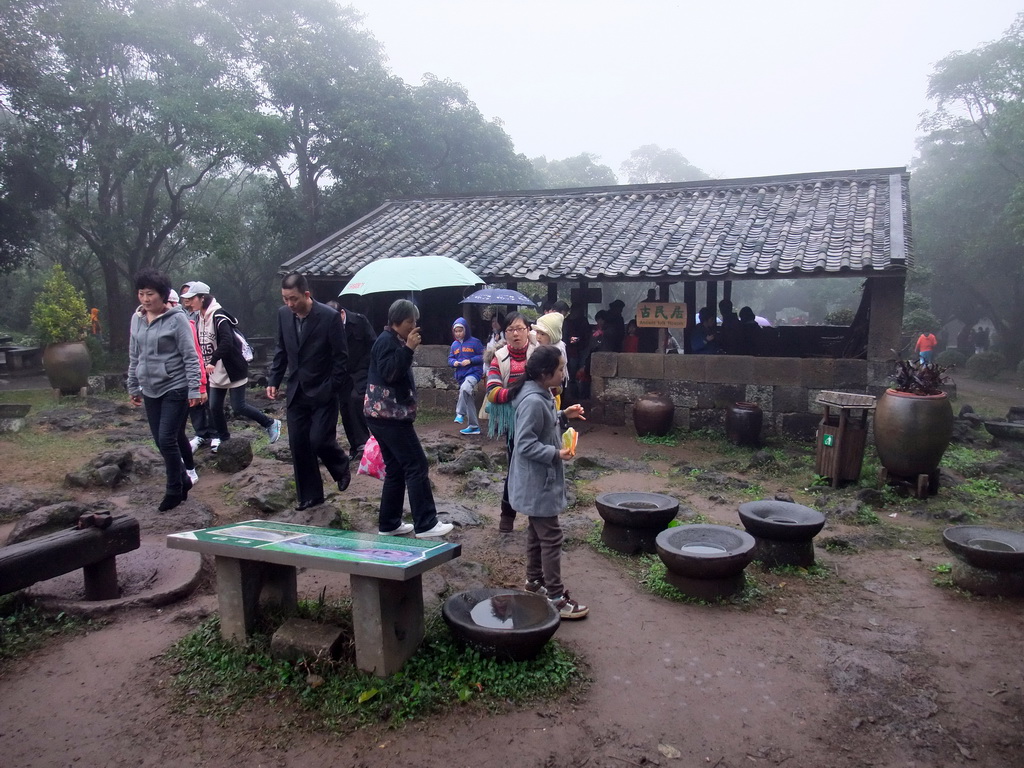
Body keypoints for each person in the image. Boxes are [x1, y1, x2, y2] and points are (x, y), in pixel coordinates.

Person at [507, 345, 588, 619]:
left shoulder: (540, 394)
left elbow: (544, 423)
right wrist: (556, 452)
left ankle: (534, 581)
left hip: (537, 481)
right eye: (561, 368)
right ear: (545, 373)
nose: (564, 372)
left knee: (536, 532)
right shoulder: (533, 400)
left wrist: (564, 415)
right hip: (538, 482)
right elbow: (525, 444)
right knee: (551, 537)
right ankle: (555, 596)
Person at [365, 299, 453, 538]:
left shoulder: (392, 340)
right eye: (409, 322)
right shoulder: (387, 342)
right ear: (396, 321)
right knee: (416, 465)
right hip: (391, 417)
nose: (414, 326)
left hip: (382, 417)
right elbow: (390, 373)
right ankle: (426, 523)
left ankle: (389, 523)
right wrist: (408, 349)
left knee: (395, 469)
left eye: (415, 321)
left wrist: (406, 347)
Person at [266, 272, 351, 511]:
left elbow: (341, 358)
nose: (289, 304)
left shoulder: (329, 317)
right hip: (296, 390)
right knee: (299, 444)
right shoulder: (284, 315)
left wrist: (332, 386)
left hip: (323, 389)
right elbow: (281, 349)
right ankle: (311, 496)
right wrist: (274, 378)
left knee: (319, 440)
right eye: (285, 299)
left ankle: (341, 464)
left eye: (293, 299)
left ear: (306, 294)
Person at [127, 269, 202, 512]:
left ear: (162, 295)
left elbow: (190, 356)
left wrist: (195, 389)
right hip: (150, 388)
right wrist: (133, 384)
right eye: (141, 293)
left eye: (150, 294)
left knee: (167, 438)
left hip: (175, 386)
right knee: (160, 441)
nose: (146, 299)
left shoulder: (176, 319)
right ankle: (184, 478)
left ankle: (173, 489)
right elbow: (134, 355)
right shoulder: (136, 319)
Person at [183, 283, 281, 449]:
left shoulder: (219, 316)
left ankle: (270, 423)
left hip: (232, 368)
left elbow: (227, 342)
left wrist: (213, 361)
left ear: (202, 298)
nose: (189, 302)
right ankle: (224, 439)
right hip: (214, 372)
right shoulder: (199, 317)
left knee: (238, 406)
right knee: (214, 407)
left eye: (192, 298)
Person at [485, 311, 537, 532]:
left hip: (539, 420)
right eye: (511, 330)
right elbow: (492, 392)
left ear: (528, 330)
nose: (516, 334)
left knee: (539, 467)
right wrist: (522, 392)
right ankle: (507, 516)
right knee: (516, 467)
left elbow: (555, 384)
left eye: (520, 329)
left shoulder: (540, 353)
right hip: (514, 424)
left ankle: (537, 517)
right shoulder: (499, 356)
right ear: (504, 333)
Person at [167, 289, 206, 486]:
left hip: (181, 385)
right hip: (163, 387)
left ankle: (189, 470)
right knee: (171, 433)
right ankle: (182, 468)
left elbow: (195, 357)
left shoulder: (185, 324)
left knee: (176, 432)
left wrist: (200, 386)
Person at [334, 301, 377, 460]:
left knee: (356, 399)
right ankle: (354, 446)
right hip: (342, 372)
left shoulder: (359, 321)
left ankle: (363, 443)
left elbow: (373, 344)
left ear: (342, 313)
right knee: (344, 407)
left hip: (361, 369)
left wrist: (367, 366)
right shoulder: (328, 325)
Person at [179, 281, 217, 453]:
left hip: (208, 363)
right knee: (193, 401)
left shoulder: (207, 315)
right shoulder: (181, 316)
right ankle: (201, 432)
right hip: (190, 364)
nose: (187, 300)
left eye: (191, 296)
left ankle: (215, 433)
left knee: (211, 399)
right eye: (184, 296)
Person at [448, 316, 485, 436]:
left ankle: (460, 414)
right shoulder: (454, 345)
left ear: (466, 330)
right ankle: (474, 427)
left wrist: (470, 361)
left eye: (460, 330)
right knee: (468, 399)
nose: (458, 334)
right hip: (461, 375)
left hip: (473, 373)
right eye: (456, 331)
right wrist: (454, 363)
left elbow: (483, 356)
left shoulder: (475, 342)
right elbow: (450, 359)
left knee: (465, 389)